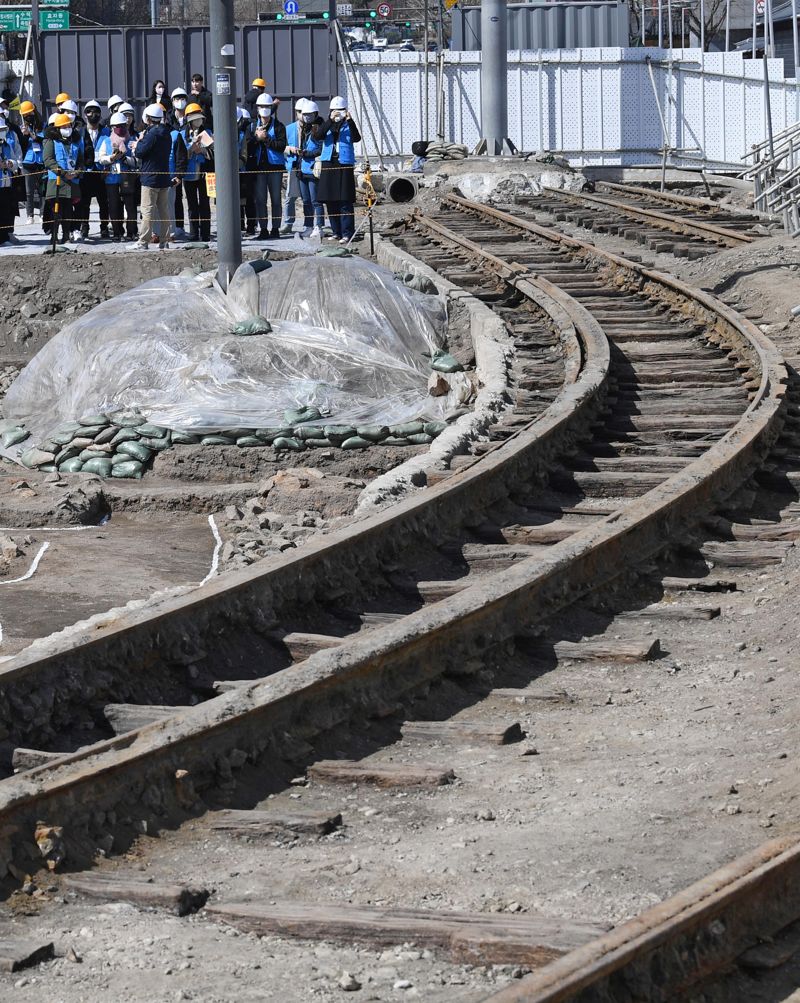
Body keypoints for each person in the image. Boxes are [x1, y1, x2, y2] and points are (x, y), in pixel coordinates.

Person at [314, 96, 360, 244]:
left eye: (340, 110)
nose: (337, 113)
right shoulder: (326, 124)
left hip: (344, 163)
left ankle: (347, 232)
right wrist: (330, 120)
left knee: (345, 200)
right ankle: (336, 231)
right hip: (329, 163)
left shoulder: (348, 124)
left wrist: (350, 120)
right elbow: (318, 135)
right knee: (330, 199)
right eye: (335, 110)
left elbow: (356, 138)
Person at [130, 103, 172, 251]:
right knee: (163, 210)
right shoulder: (166, 133)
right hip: (163, 176)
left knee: (147, 210)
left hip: (149, 177)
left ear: (148, 118)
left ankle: (143, 241)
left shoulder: (151, 134)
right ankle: (165, 240)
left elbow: (140, 152)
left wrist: (139, 142)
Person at [96, 111, 138, 242]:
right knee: (114, 206)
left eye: (122, 125)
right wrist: (111, 158)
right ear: (112, 127)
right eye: (116, 126)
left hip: (127, 178)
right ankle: (117, 231)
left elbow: (137, 160)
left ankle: (131, 232)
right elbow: (100, 158)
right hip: (111, 179)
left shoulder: (132, 141)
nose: (120, 128)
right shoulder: (106, 141)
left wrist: (125, 158)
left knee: (130, 206)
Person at [43, 111, 83, 245]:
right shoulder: (51, 141)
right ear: (58, 128)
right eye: (64, 127)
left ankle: (66, 235)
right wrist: (63, 173)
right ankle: (53, 236)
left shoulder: (76, 142)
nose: (67, 129)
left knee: (68, 211)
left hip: (72, 182)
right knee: (56, 211)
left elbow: (80, 161)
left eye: (69, 126)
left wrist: (77, 172)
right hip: (56, 181)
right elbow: (48, 159)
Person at [250, 92, 286, 239]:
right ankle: (263, 229)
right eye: (262, 106)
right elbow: (248, 145)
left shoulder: (278, 126)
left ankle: (276, 228)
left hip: (275, 168)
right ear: (257, 108)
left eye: (267, 106)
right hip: (259, 169)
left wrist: (266, 139)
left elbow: (281, 146)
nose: (264, 109)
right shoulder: (252, 125)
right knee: (260, 200)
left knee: (276, 199)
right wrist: (256, 138)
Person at [177, 102, 213, 242]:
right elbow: (180, 156)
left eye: (199, 118)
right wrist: (191, 149)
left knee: (205, 203)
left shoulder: (207, 133)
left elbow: (214, 153)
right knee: (192, 205)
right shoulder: (182, 134)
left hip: (205, 174)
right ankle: (193, 233)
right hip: (189, 174)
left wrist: (202, 151)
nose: (198, 121)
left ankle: (205, 234)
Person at [76, 99, 110, 240]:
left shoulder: (106, 131)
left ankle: (104, 228)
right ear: (85, 115)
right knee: (85, 203)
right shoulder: (79, 133)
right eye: (89, 111)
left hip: (102, 173)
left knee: (104, 203)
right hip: (86, 174)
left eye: (96, 112)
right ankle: (85, 227)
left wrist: (106, 168)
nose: (93, 114)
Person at [280, 98, 307, 235]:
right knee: (290, 196)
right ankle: (288, 223)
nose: (302, 115)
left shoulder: (313, 128)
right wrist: (289, 148)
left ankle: (309, 224)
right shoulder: (289, 128)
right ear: (296, 113)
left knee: (308, 197)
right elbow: (280, 146)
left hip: (308, 165)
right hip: (294, 165)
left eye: (304, 112)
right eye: (300, 112)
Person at [19, 100, 43, 224]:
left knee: (42, 190)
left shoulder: (41, 125)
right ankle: (30, 215)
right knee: (29, 192)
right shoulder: (22, 128)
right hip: (28, 162)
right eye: (25, 115)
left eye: (30, 113)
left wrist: (33, 135)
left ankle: (43, 213)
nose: (28, 117)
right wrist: (24, 135)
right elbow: (21, 146)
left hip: (40, 161)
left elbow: (43, 139)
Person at [0, 117, 20, 245]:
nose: (2, 131)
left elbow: (15, 162)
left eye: (3, 129)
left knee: (6, 211)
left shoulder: (6, 145)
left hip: (6, 183)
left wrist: (9, 164)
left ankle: (4, 237)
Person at [236, 107, 253, 233]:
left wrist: (236, 164)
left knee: (246, 199)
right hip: (230, 173)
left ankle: (250, 225)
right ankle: (239, 225)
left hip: (242, 170)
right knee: (236, 201)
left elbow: (244, 153)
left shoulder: (242, 135)